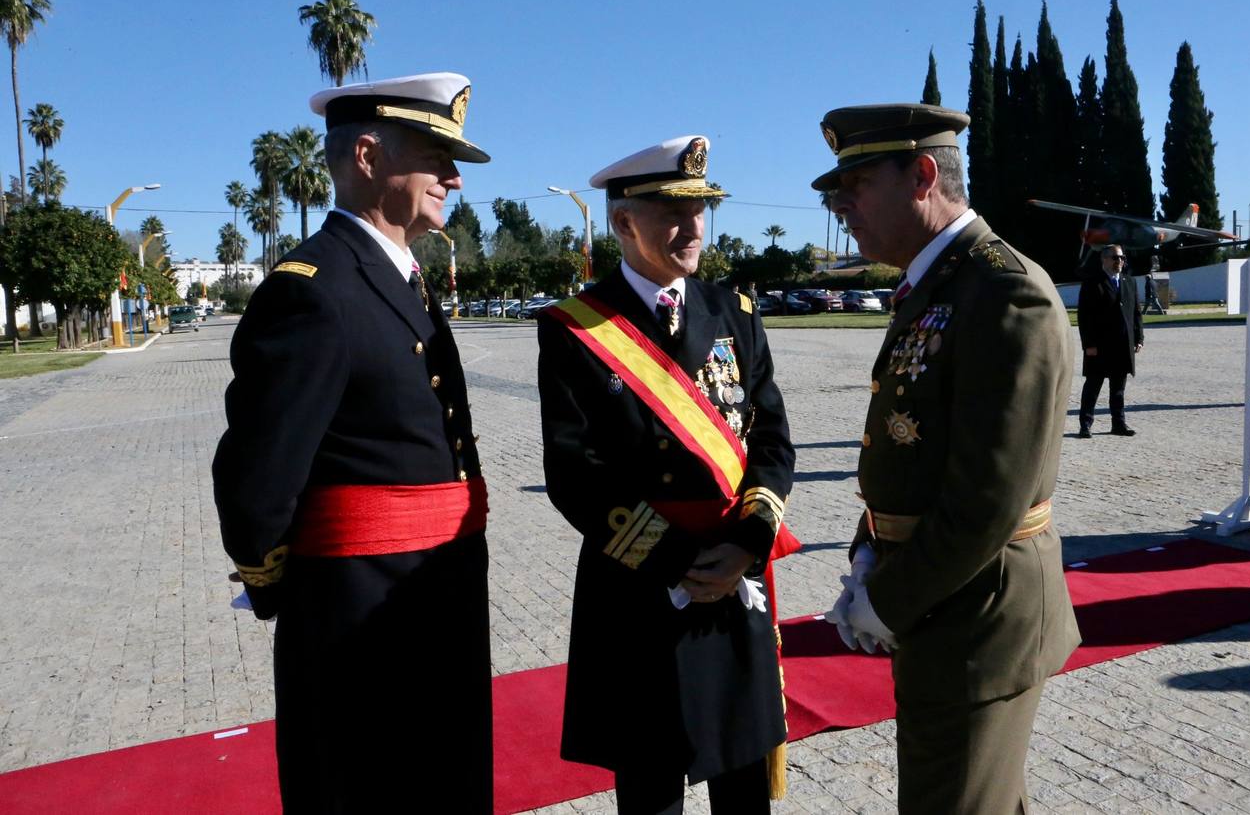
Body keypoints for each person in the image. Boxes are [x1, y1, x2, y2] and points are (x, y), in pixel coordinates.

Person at [213, 72, 494, 812]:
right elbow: (256, 479)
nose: (453, 177)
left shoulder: (398, 278)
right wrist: (282, 586)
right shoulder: (314, 287)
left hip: (435, 593)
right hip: (357, 619)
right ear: (367, 155)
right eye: (435, 155)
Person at [815, 103, 1080, 814]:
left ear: (922, 175)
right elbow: (914, 454)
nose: (840, 204)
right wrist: (870, 551)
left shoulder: (1001, 290)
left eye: (858, 182)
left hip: (975, 609)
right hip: (943, 597)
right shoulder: (939, 284)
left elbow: (988, 497)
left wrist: (886, 600)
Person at [537, 135, 796, 815]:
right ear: (624, 223)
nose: (692, 229)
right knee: (650, 784)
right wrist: (679, 562)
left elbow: (770, 435)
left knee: (743, 782)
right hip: (641, 582)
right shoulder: (575, 328)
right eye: (672, 212)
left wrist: (748, 541)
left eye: (701, 210)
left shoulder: (732, 313)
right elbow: (575, 473)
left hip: (734, 575)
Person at [1077, 244, 1144, 437]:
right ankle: (1085, 425)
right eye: (1115, 258)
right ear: (1104, 260)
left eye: (1122, 258)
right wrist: (1088, 344)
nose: (1120, 262)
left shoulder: (1129, 282)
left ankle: (1118, 424)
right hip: (1099, 346)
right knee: (1093, 387)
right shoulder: (1092, 283)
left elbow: (1136, 313)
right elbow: (1085, 317)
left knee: (1118, 390)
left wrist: (1138, 338)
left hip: (1122, 345)